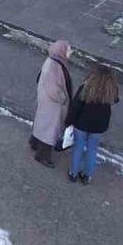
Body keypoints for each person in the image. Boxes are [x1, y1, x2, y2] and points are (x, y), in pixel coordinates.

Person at [66, 65, 119, 184]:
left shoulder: (86, 87)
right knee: (92, 150)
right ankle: (87, 176)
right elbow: (116, 100)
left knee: (78, 148)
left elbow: (75, 107)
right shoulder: (111, 90)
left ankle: (73, 174)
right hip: (99, 126)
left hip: (81, 123)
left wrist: (69, 121)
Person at [31, 40, 72, 168]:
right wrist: (63, 99)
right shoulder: (55, 66)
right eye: (69, 50)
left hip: (46, 101)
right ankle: (42, 155)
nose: (70, 52)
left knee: (42, 123)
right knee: (49, 129)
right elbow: (54, 89)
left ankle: (34, 142)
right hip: (52, 104)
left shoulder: (52, 61)